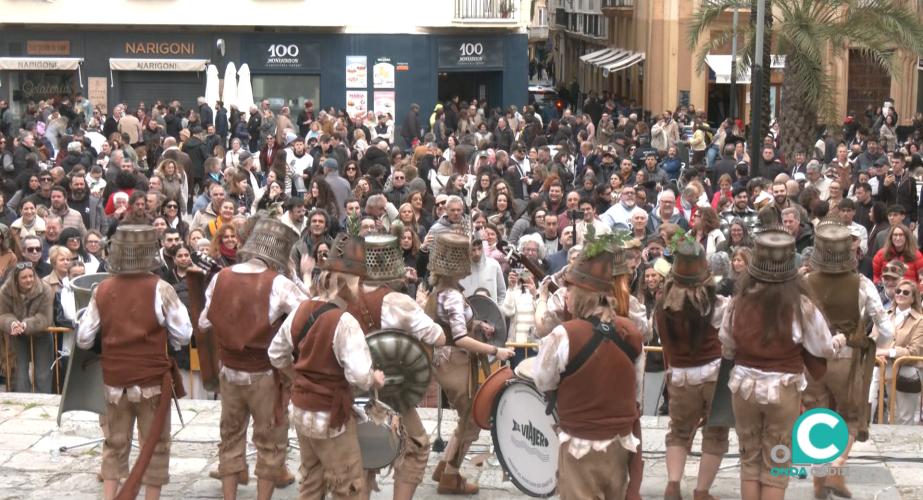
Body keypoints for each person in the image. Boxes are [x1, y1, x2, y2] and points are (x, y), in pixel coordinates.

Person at [719, 230, 842, 500]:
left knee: (749, 459)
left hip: (743, 386)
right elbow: (823, 348)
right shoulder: (803, 306)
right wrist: (839, 342)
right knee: (777, 461)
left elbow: (726, 342)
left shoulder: (738, 302)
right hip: (783, 388)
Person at [76, 225, 192, 500]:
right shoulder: (161, 288)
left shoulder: (101, 289)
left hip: (114, 381)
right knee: (156, 444)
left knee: (114, 444)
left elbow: (83, 338)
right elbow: (184, 334)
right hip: (152, 381)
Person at [268, 234, 385, 499]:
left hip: (301, 410)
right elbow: (359, 375)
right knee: (349, 487)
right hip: (331, 419)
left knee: (311, 482)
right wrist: (374, 379)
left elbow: (275, 353)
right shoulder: (345, 322)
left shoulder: (301, 309)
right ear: (349, 285)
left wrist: (296, 376)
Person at [199, 217, 304, 499]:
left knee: (230, 438)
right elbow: (306, 316)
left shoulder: (222, 276)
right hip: (264, 376)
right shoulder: (279, 283)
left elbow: (204, 322)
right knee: (270, 440)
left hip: (229, 372)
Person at [533, 243, 644, 500]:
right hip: (620, 443)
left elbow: (542, 380)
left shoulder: (565, 334)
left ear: (581, 294)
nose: (566, 295)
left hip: (579, 444)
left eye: (569, 289)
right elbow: (636, 390)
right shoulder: (632, 332)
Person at [344, 234, 445, 500]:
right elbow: (438, 337)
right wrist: (421, 308)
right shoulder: (398, 302)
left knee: (360, 452)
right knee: (417, 445)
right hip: (393, 392)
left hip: (351, 389)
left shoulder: (344, 296)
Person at [803, 222, 893, 498]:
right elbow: (886, 329)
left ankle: (820, 484)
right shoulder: (862, 283)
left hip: (813, 361)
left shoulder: (805, 282)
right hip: (847, 358)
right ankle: (836, 468)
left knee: (816, 418)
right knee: (849, 418)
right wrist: (871, 342)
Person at [426, 231, 514, 494]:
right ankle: (451, 478)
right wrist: (494, 351)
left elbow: (456, 327)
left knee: (466, 416)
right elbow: (461, 338)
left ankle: (444, 467)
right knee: (473, 418)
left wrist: (478, 324)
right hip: (455, 361)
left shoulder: (442, 291)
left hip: (448, 359)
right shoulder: (452, 295)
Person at [655, 240, 729, 500]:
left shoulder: (661, 307)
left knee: (678, 430)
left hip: (680, 375)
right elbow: (729, 337)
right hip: (713, 373)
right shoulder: (716, 304)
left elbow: (663, 342)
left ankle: (673, 485)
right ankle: (701, 491)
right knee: (716, 431)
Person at [871, 278, 923, 425]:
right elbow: (873, 338)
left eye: (906, 292)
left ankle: (903, 448)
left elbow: (914, 350)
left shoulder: (920, 320)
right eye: (898, 291)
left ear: (913, 298)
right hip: (879, 367)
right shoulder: (884, 315)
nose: (900, 294)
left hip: (907, 370)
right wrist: (875, 352)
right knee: (871, 406)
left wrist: (887, 352)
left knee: (903, 417)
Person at [0, 262, 54, 393]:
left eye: (31, 276)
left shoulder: (45, 289)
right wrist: (12, 323)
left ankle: (44, 401)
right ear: (16, 280)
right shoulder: (5, 292)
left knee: (43, 373)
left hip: (42, 333)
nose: (29, 279)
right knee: (20, 373)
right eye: (24, 277)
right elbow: (3, 314)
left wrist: (26, 324)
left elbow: (45, 316)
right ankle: (22, 402)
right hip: (17, 335)